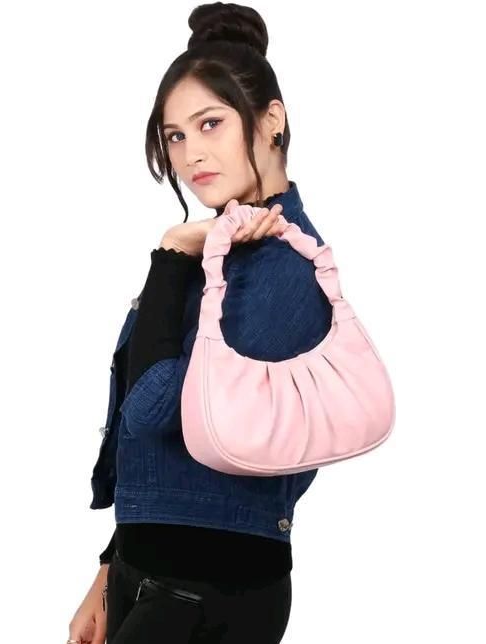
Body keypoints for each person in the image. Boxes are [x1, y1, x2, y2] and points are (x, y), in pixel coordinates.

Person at [68, 3, 333, 643]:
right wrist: (109, 571)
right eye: (175, 136)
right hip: (148, 571)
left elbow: (154, 411)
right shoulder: (215, 248)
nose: (190, 155)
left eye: (210, 123)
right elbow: (146, 445)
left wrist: (170, 254)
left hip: (211, 590)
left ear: (271, 120)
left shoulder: (285, 267)